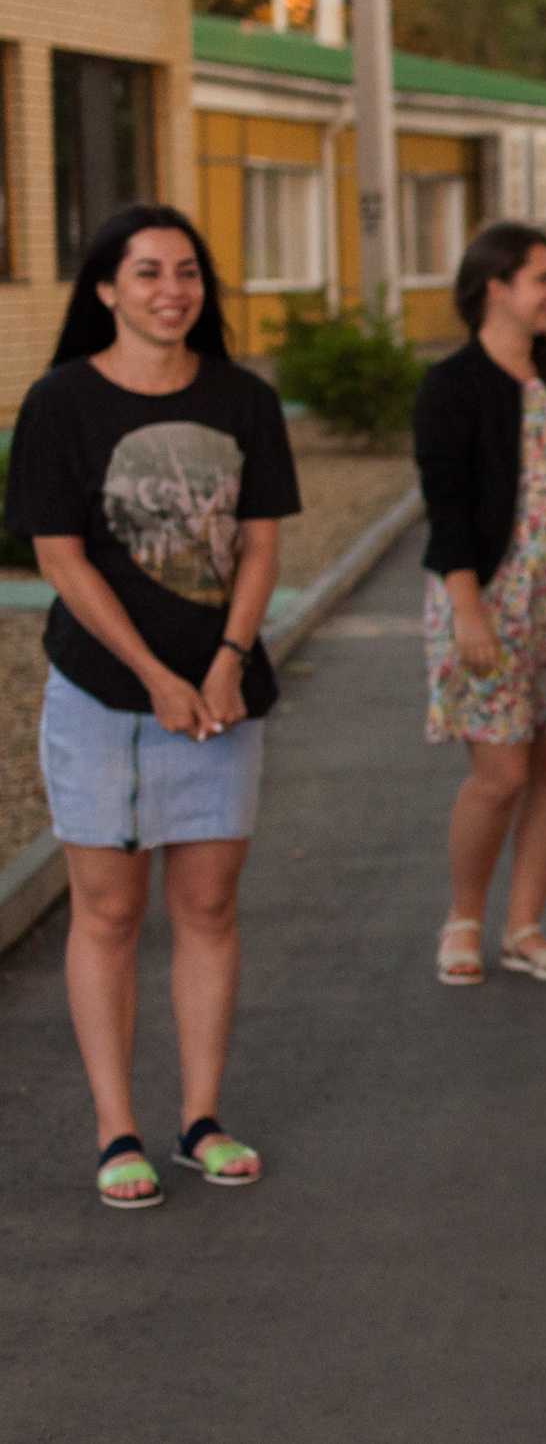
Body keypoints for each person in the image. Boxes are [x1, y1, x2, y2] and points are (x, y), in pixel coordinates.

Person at [3, 204, 301, 1207]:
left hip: (222, 698)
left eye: (187, 272)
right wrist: (155, 677)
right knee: (110, 910)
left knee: (208, 907)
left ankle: (200, 1119)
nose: (171, 290)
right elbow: (59, 558)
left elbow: (259, 543)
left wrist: (225, 660)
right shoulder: (60, 402)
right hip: (102, 697)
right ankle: (116, 1128)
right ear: (104, 289)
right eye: (146, 273)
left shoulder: (241, 399)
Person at [416, 223, 546, 988]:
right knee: (501, 772)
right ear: (494, 287)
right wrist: (468, 609)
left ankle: (524, 926)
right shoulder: (450, 387)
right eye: (542, 278)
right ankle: (463, 918)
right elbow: (445, 513)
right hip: (491, 598)